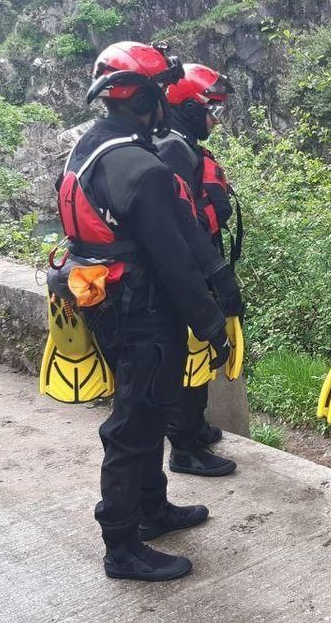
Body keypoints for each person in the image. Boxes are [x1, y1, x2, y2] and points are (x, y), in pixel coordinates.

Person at [54, 41, 235, 582]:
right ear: (149, 98)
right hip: (144, 311)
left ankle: (152, 510)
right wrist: (213, 323)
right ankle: (122, 545)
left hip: (108, 302)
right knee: (133, 425)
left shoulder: (92, 146)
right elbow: (175, 258)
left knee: (149, 411)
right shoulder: (142, 166)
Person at [154, 63, 244, 477]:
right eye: (211, 110)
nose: (215, 120)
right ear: (188, 106)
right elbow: (180, 221)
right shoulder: (173, 148)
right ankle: (184, 448)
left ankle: (195, 426)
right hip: (187, 269)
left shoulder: (179, 141)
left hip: (196, 262)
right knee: (192, 352)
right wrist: (212, 273)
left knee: (199, 351)